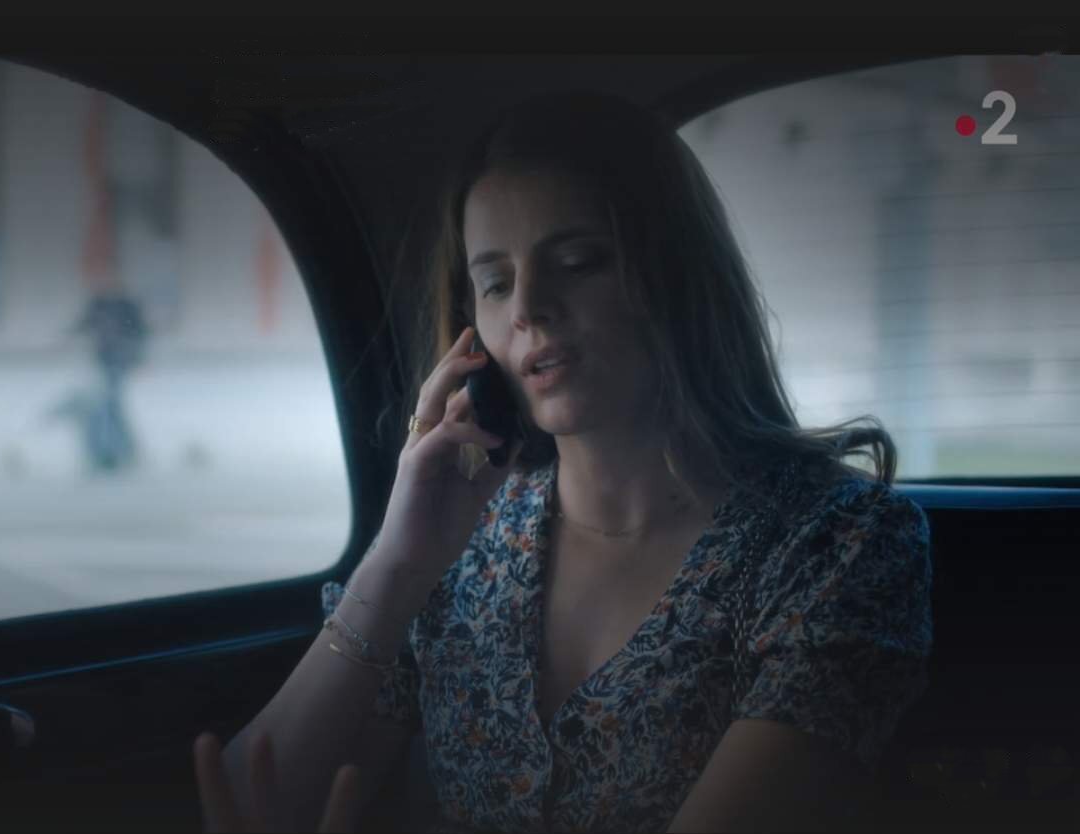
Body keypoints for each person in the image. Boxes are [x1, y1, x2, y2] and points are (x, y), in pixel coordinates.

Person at [192, 91, 933, 833]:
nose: (528, 308)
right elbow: (250, 803)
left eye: (577, 263)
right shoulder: (466, 543)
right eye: (495, 283)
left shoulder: (835, 544)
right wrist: (396, 563)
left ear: (672, 273)